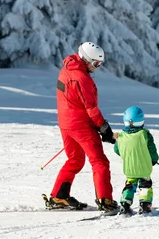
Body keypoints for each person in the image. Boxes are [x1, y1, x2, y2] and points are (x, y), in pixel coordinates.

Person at [49, 42, 119, 213]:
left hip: (66, 124)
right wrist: (104, 128)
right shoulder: (82, 78)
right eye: (96, 63)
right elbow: (91, 108)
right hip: (81, 126)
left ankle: (59, 196)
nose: (97, 67)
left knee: (75, 160)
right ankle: (105, 200)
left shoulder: (66, 68)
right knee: (100, 162)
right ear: (86, 59)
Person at [113, 106, 159, 215]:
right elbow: (152, 150)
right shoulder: (145, 134)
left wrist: (128, 155)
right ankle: (145, 205)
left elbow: (117, 150)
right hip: (144, 168)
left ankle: (125, 204)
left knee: (129, 185)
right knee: (145, 185)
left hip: (129, 168)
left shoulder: (120, 136)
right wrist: (154, 160)